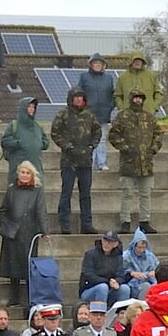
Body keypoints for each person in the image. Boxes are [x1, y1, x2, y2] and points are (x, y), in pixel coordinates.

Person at [108, 91, 162, 234]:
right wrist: (124, 148)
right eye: (135, 98)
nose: (138, 100)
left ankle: (145, 221)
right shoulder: (122, 116)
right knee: (127, 194)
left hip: (146, 163)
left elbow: (158, 134)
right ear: (131, 99)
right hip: (128, 162)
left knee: (145, 194)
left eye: (140, 98)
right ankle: (125, 221)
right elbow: (113, 134)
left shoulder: (149, 117)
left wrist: (153, 149)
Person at [50, 87, 100, 235]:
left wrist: (91, 146)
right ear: (71, 99)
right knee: (66, 192)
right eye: (76, 97)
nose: (78, 99)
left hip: (85, 161)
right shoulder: (63, 114)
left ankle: (87, 224)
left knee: (86, 194)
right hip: (68, 161)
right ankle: (64, 224)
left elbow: (97, 131)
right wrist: (67, 146)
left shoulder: (90, 115)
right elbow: (55, 133)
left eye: (81, 97)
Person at [0, 162, 47, 308]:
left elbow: (41, 211)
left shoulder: (37, 191)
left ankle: (29, 299)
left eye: (27, 173)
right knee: (13, 266)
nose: (24, 175)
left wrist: (45, 231)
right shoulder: (11, 190)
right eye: (22, 172)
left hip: (29, 233)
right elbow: (3, 211)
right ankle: (14, 298)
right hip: (12, 233)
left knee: (28, 267)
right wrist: (6, 227)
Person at [76, 54, 117, 172]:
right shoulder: (84, 77)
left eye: (100, 63)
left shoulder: (109, 78)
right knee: (89, 139)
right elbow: (79, 93)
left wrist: (110, 106)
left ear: (103, 65)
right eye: (95, 63)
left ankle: (102, 163)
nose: (97, 65)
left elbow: (113, 95)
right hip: (88, 114)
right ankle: (90, 162)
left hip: (104, 114)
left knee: (102, 139)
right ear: (91, 65)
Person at [1, 96, 48, 177]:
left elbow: (45, 141)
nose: (31, 109)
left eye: (33, 107)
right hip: (18, 167)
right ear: (23, 108)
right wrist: (19, 143)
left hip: (36, 167)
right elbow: (5, 142)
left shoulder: (38, 126)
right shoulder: (13, 125)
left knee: (38, 188)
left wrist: (40, 144)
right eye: (29, 106)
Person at [79, 232, 127, 307]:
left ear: (115, 244)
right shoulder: (90, 254)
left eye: (110, 242)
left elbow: (121, 275)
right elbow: (88, 274)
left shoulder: (118, 257)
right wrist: (107, 282)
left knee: (125, 289)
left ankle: (121, 314)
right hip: (90, 289)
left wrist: (117, 281)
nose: (106, 244)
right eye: (105, 241)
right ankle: (100, 313)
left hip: (110, 288)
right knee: (102, 287)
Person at [123, 233, 159, 301]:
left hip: (150, 281)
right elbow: (121, 271)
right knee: (146, 286)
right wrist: (132, 273)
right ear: (134, 245)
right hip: (132, 284)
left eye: (144, 248)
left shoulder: (150, 256)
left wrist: (154, 272)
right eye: (139, 247)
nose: (142, 250)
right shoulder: (126, 256)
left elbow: (158, 267)